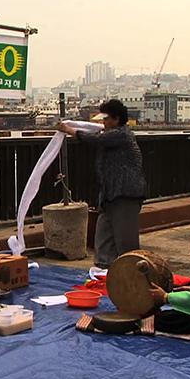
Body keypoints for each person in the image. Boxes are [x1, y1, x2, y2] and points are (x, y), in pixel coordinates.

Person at [58, 99, 146, 268]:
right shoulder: (110, 134)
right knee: (103, 236)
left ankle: (131, 273)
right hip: (110, 195)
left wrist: (69, 130)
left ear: (116, 119)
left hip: (125, 194)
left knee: (125, 241)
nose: (103, 122)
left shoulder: (121, 135)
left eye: (106, 119)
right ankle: (103, 269)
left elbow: (94, 140)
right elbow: (98, 137)